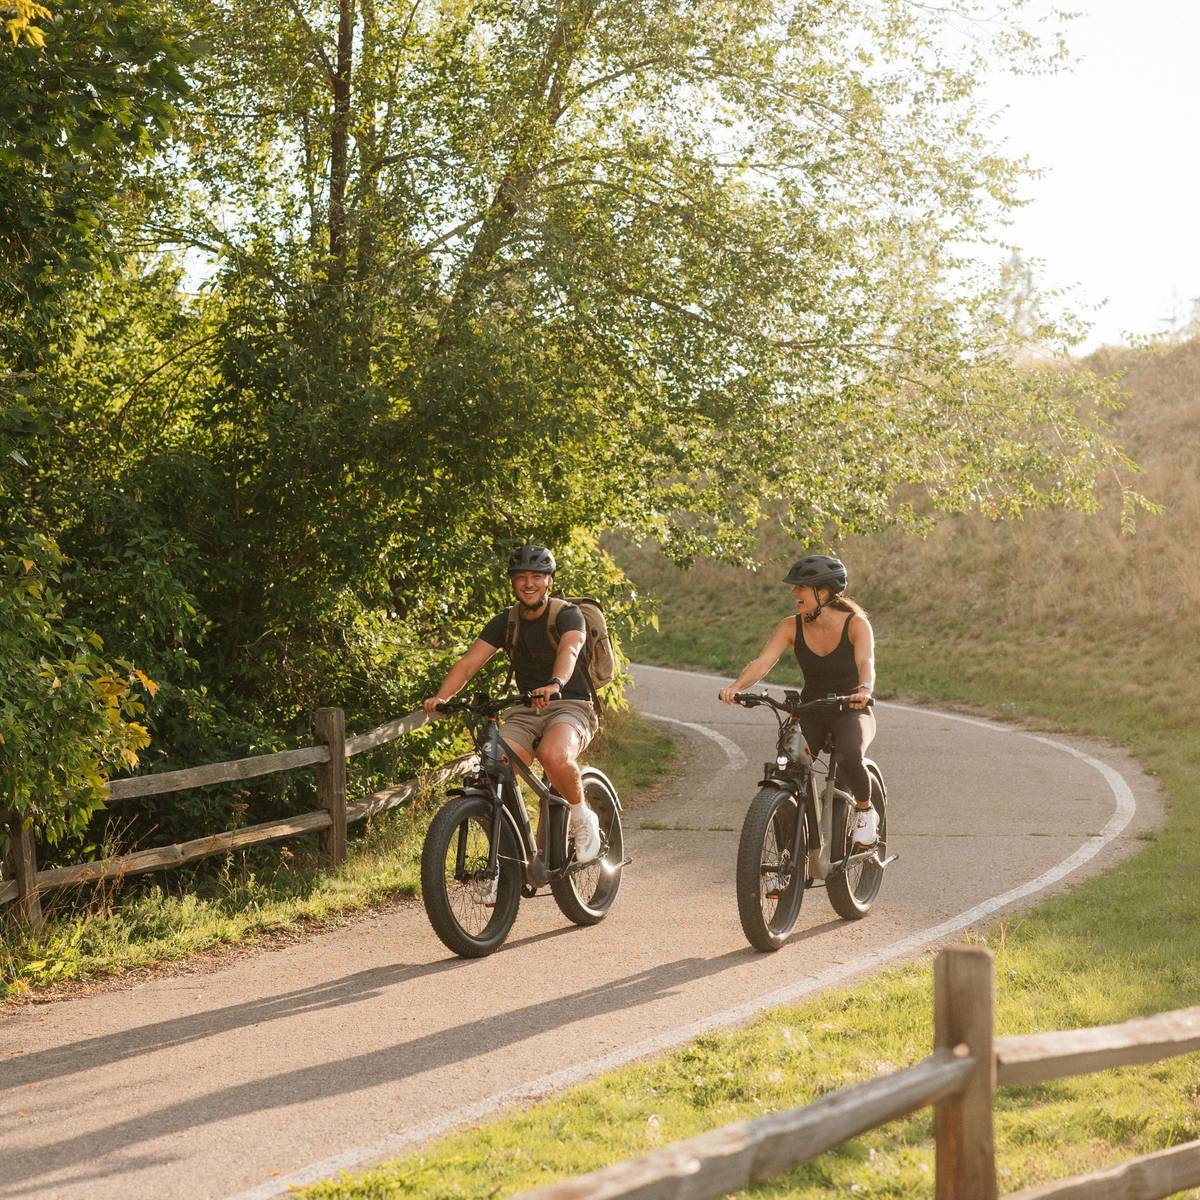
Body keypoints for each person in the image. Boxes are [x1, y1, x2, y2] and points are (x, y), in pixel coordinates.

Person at [423, 545, 602, 863]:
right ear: (513, 583)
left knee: (552, 755)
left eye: (537, 576)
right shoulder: (506, 622)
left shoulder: (567, 614)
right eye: (521, 578)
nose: (528, 584)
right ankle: (506, 860)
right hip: (526, 710)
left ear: (549, 580)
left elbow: (570, 650)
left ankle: (581, 815)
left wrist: (556, 683)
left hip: (571, 704)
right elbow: (468, 664)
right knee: (493, 772)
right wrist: (443, 697)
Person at [718, 553, 879, 847]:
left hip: (851, 707)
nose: (794, 594)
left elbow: (866, 662)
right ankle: (788, 855)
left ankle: (866, 811)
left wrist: (864, 690)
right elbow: (763, 662)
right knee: (787, 767)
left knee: (849, 754)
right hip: (811, 708)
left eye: (800, 588)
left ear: (824, 591)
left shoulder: (856, 625)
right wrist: (736, 687)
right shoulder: (791, 626)